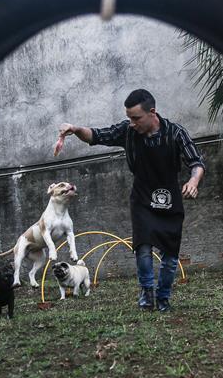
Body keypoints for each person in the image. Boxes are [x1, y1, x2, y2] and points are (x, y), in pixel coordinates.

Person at [56, 89, 205, 312]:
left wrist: (193, 181)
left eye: (136, 118)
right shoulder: (128, 132)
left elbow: (196, 163)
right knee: (142, 247)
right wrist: (75, 129)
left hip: (170, 199)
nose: (132, 123)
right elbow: (96, 135)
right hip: (142, 199)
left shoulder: (175, 133)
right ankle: (147, 294)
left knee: (170, 256)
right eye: (129, 118)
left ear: (152, 112)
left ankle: (163, 297)